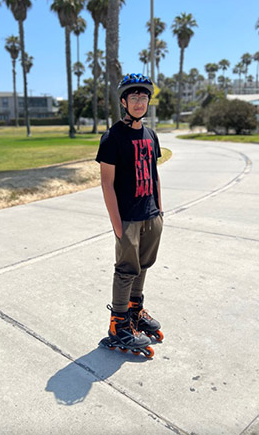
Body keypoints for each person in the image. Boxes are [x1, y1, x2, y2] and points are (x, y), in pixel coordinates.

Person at [95, 73, 165, 358]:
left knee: (144, 264)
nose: (139, 102)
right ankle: (119, 324)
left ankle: (135, 311)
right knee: (126, 270)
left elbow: (155, 173)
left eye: (144, 97)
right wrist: (116, 224)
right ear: (124, 102)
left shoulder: (150, 135)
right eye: (134, 97)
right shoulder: (113, 137)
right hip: (127, 217)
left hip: (151, 214)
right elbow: (106, 182)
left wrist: (160, 209)